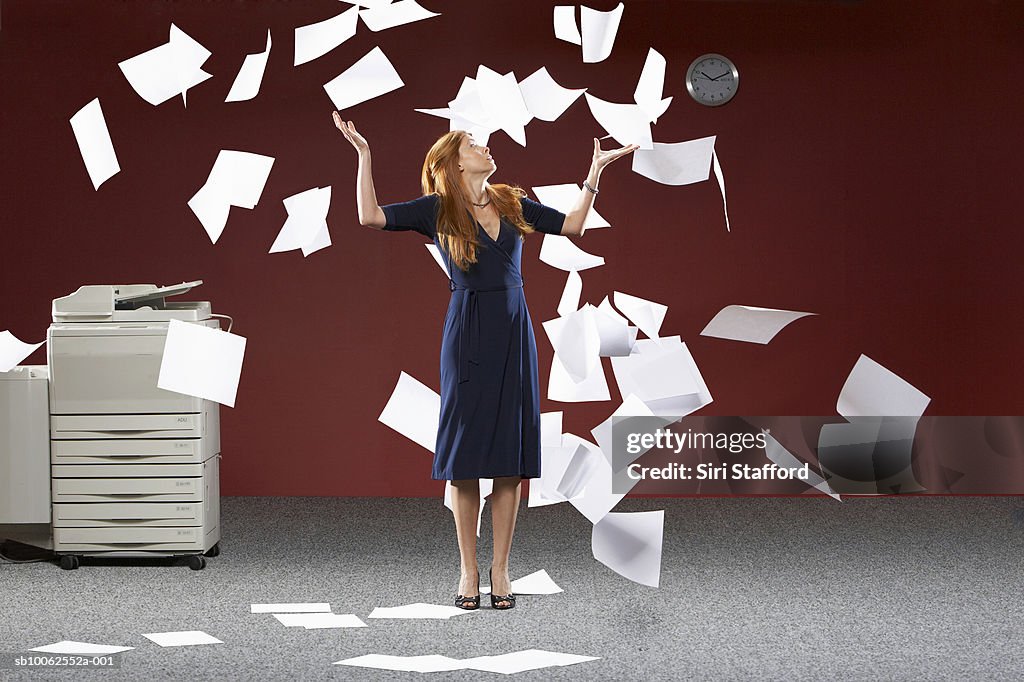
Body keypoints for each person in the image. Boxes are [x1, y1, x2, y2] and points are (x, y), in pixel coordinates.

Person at [333, 111, 636, 609]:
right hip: (468, 331)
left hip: (514, 332)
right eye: (474, 144)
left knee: (510, 462)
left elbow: (575, 226)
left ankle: (500, 571)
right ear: (454, 164)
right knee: (466, 459)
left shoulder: (511, 201)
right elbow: (370, 217)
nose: (485, 147)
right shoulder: (437, 209)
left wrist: (594, 173)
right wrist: (364, 155)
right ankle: (468, 571)